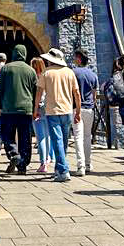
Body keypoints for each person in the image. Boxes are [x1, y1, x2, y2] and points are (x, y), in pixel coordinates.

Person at [34, 47, 80, 182]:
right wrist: (78, 111)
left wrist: (35, 109)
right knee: (63, 141)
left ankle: (63, 170)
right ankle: (60, 168)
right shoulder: (69, 72)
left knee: (57, 141)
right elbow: (76, 93)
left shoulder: (46, 73)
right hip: (67, 110)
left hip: (52, 111)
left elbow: (39, 93)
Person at [0, 45, 38, 175]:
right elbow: (35, 90)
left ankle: (14, 154)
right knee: (25, 137)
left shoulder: (6, 68)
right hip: (26, 109)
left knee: (7, 134)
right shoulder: (30, 71)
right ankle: (23, 164)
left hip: (9, 108)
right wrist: (35, 107)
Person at [70, 50, 99, 175]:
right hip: (89, 109)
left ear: (79, 59)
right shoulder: (93, 75)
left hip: (77, 108)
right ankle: (88, 163)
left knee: (78, 137)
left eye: (75, 57)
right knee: (88, 137)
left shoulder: (73, 73)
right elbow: (94, 95)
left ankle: (80, 166)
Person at [30, 56, 53, 173]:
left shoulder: (33, 78)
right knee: (48, 135)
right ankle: (49, 157)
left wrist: (34, 109)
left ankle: (43, 162)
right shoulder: (48, 76)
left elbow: (36, 96)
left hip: (38, 108)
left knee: (40, 137)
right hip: (48, 108)